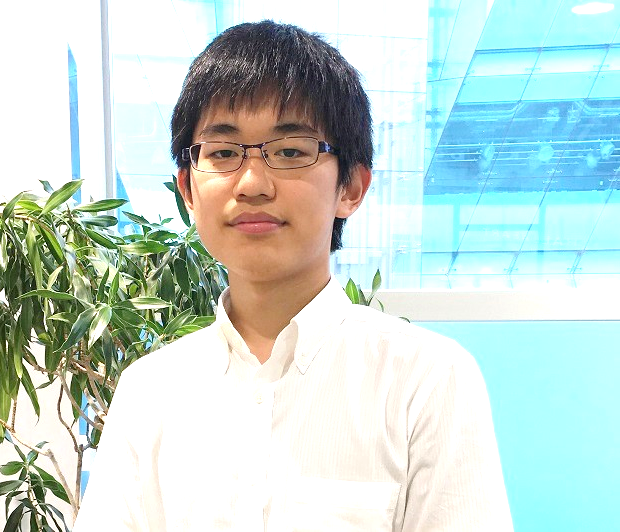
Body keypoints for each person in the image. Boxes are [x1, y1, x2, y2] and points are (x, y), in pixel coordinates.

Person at [73, 20, 512, 531]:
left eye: (290, 152)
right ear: (188, 190)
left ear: (351, 188)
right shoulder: (149, 391)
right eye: (222, 153)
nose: (252, 183)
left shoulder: (425, 379)